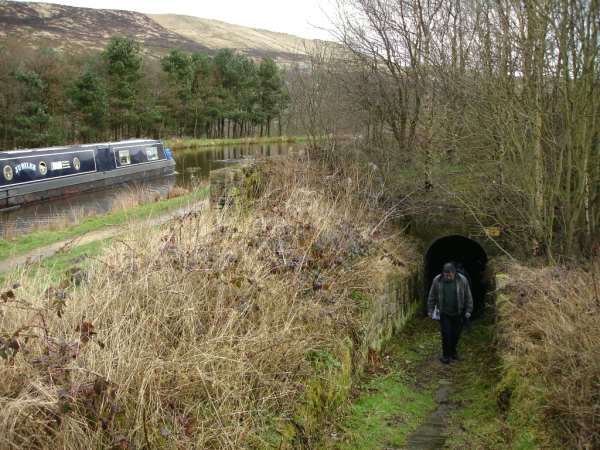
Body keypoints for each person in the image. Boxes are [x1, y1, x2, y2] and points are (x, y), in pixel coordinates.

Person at [427, 262, 473, 364]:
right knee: (446, 334)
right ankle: (446, 356)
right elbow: (432, 296)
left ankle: (453, 352)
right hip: (444, 313)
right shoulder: (437, 280)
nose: (448, 277)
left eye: (450, 274)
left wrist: (468, 310)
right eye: (446, 274)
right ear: (443, 273)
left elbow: (468, 296)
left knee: (456, 334)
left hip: (458, 312)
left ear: (454, 273)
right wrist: (430, 310)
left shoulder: (462, 280)